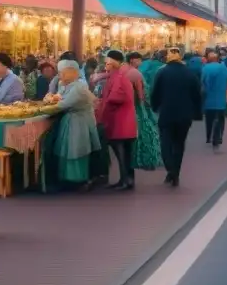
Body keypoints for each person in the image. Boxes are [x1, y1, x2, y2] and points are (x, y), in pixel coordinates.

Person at [47, 58, 103, 189]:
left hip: (79, 123)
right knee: (67, 150)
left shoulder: (79, 87)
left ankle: (79, 178)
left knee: (76, 150)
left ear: (71, 73)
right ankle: (67, 178)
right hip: (70, 121)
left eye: (62, 72)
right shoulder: (64, 85)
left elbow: (63, 104)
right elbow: (57, 97)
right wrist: (51, 98)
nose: (59, 75)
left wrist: (43, 108)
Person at [151, 46, 202, 187]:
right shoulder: (189, 73)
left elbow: (155, 93)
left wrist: (155, 106)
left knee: (165, 143)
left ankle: (170, 169)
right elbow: (197, 94)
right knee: (179, 144)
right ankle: (176, 173)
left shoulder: (162, 73)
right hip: (184, 115)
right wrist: (197, 113)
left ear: (167, 57)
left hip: (166, 113)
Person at [100, 50, 137, 190]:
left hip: (119, 120)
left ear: (113, 63)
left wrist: (104, 103)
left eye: (107, 63)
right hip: (124, 120)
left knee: (120, 151)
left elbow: (117, 97)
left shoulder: (118, 77)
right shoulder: (120, 75)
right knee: (125, 152)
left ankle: (125, 180)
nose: (105, 66)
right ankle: (127, 179)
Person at [126, 52, 161, 171]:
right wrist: (145, 103)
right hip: (139, 107)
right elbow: (141, 95)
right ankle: (145, 158)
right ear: (132, 60)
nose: (140, 62)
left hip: (132, 106)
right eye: (138, 60)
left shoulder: (127, 71)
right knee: (144, 132)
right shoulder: (135, 73)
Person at [200, 50, 227, 149]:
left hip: (209, 99)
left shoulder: (205, 68)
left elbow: (202, 83)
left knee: (209, 119)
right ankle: (219, 135)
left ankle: (209, 136)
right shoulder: (225, 69)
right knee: (221, 119)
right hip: (222, 99)